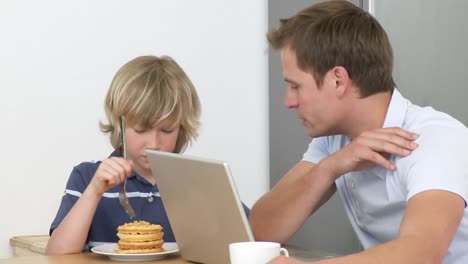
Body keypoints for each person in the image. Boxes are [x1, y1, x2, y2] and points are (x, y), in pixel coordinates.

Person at [249, 1, 468, 263]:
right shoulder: (334, 141)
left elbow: (421, 253)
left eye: (295, 86)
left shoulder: (436, 139)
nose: (289, 101)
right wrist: (331, 167)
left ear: (338, 80)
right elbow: (259, 233)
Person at [46, 55, 249, 254]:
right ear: (120, 124)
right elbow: (56, 254)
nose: (153, 144)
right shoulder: (87, 176)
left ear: (182, 128)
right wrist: (94, 192)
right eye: (141, 130)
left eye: (167, 130)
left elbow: (253, 242)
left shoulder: (201, 181)